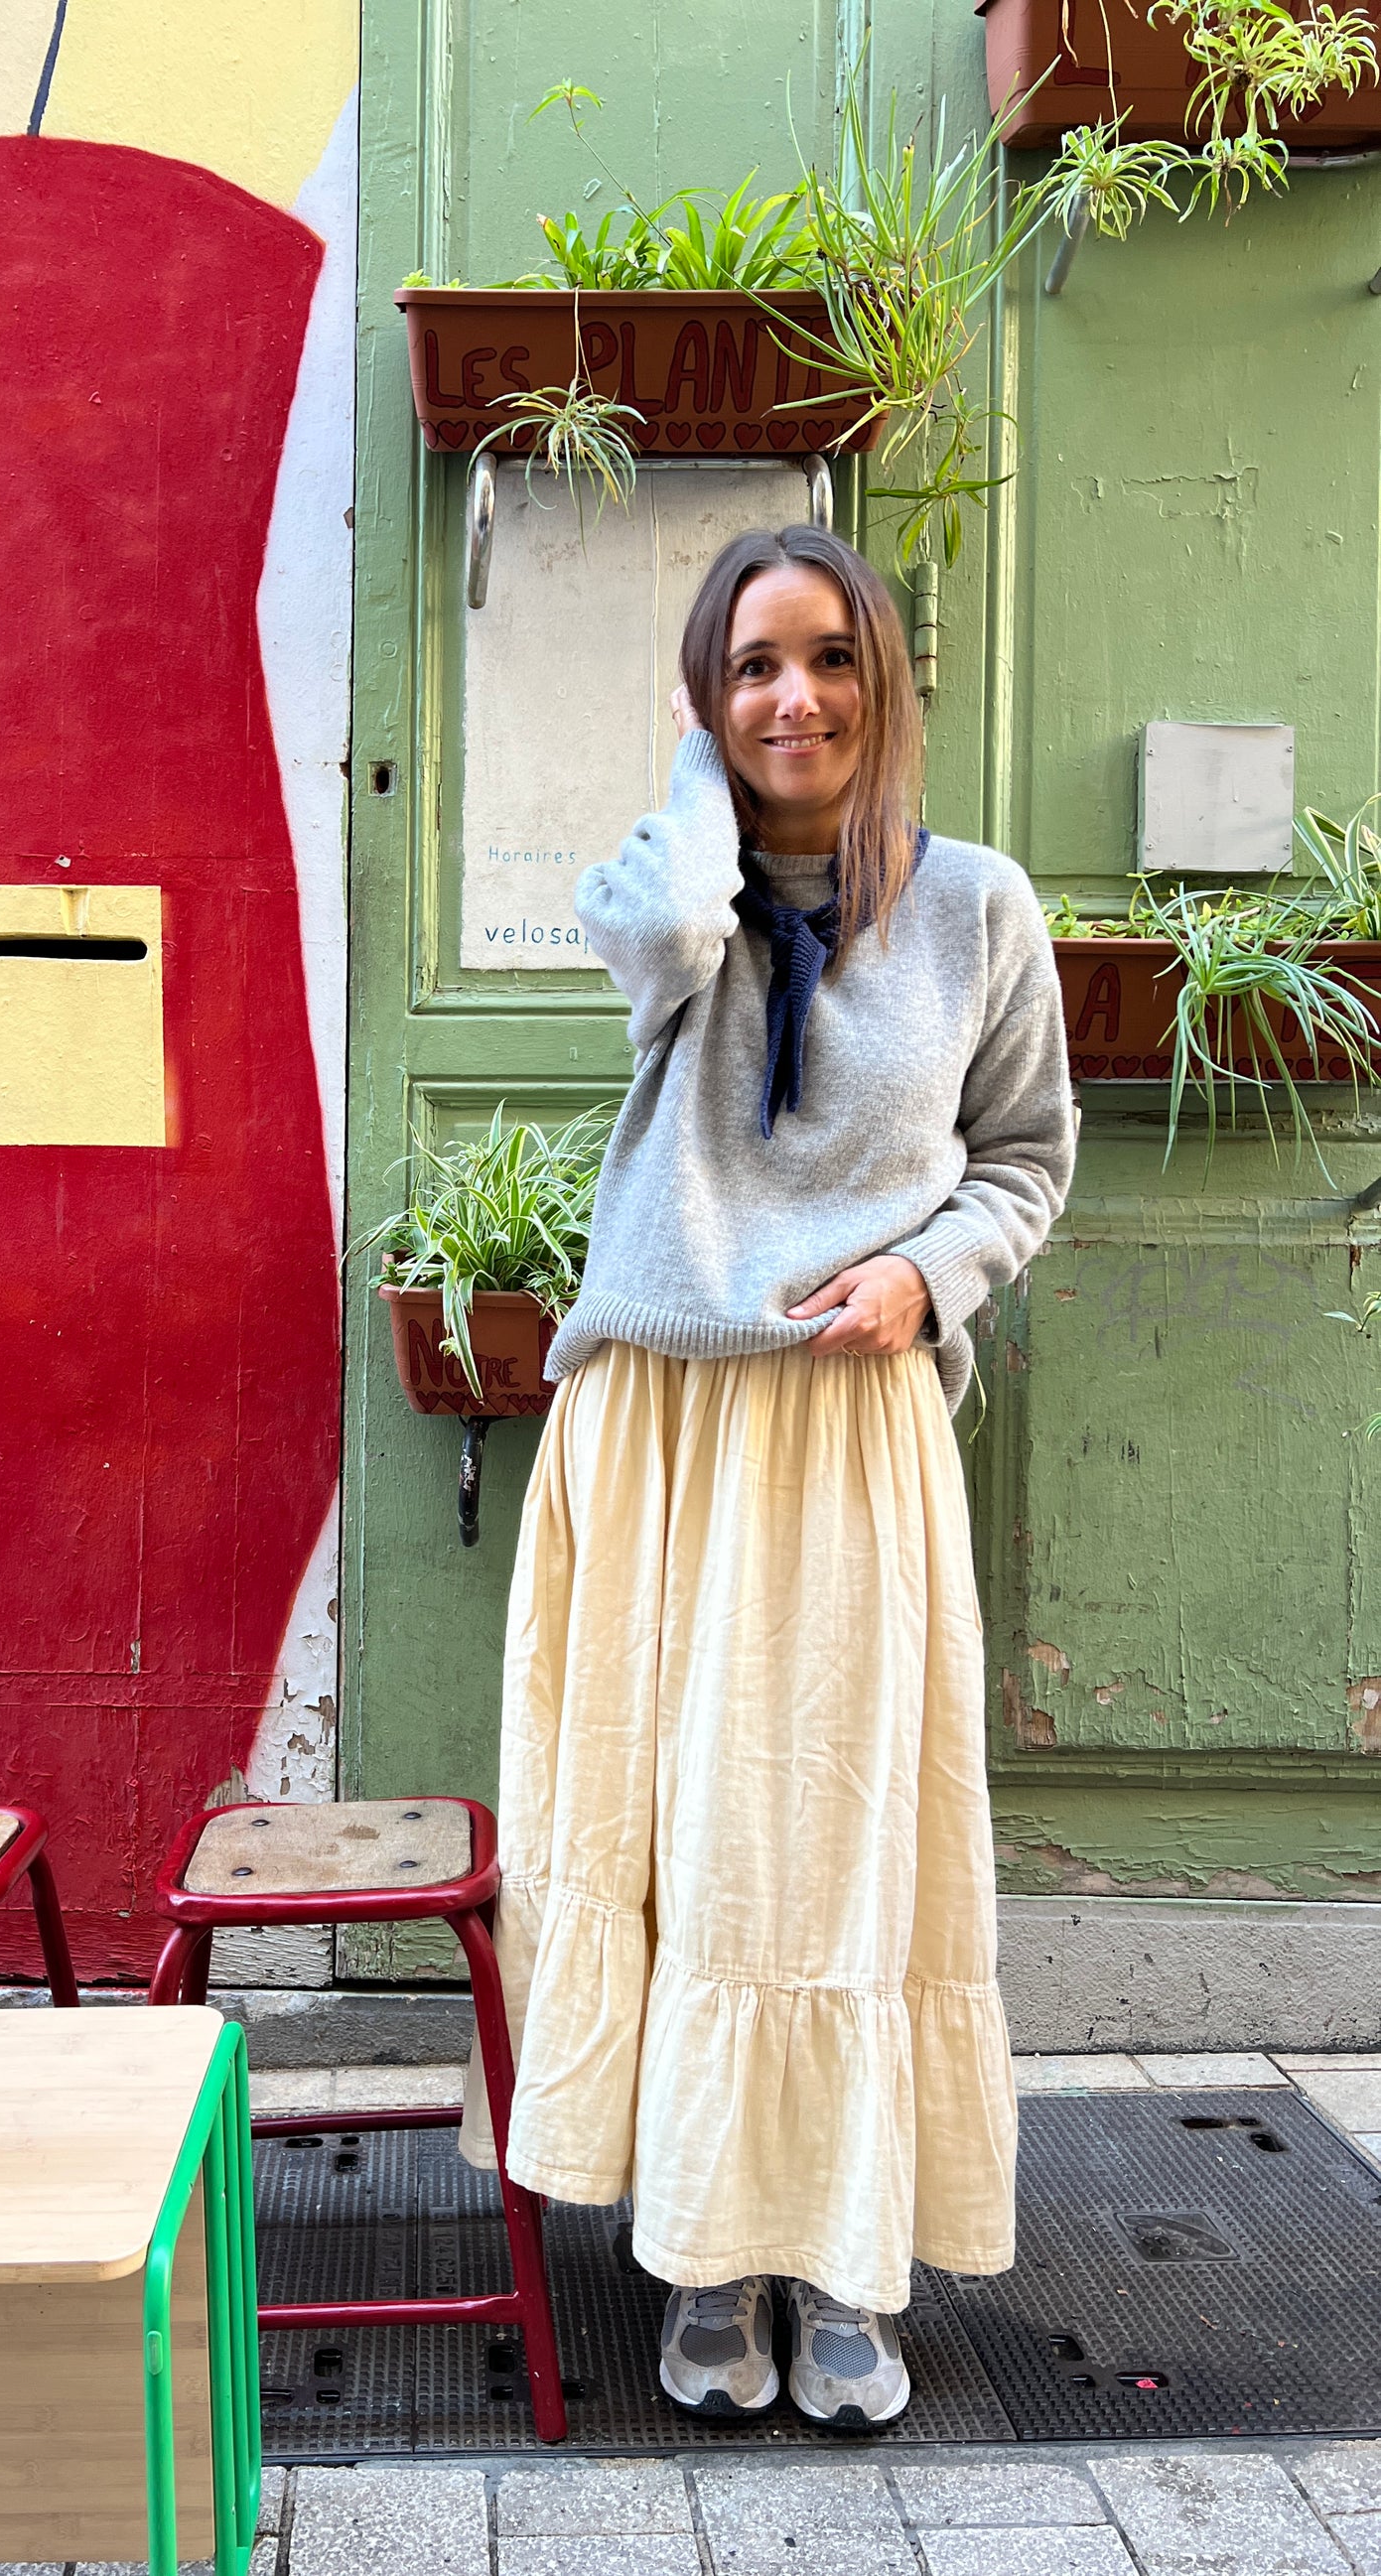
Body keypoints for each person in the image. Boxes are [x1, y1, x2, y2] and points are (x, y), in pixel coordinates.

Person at [459, 523, 1074, 2430]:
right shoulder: (668, 885)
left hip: (845, 1420)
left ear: (884, 678)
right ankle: (707, 2251)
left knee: (829, 1833)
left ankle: (841, 2252)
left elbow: (1026, 1158)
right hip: (659, 1417)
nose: (791, 697)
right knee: (668, 1829)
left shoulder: (976, 908)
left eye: (825, 659)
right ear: (701, 700)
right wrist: (701, 778)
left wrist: (924, 1275)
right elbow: (660, 941)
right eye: (747, 666)